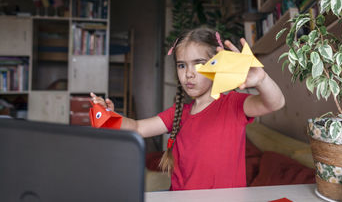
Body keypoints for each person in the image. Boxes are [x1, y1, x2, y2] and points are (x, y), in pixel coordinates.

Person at [91, 27, 285, 191]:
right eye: (182, 66)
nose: (189, 74)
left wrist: (262, 80)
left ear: (217, 64)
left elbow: (274, 103)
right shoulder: (178, 113)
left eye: (198, 64)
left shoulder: (233, 104)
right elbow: (137, 128)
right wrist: (107, 115)